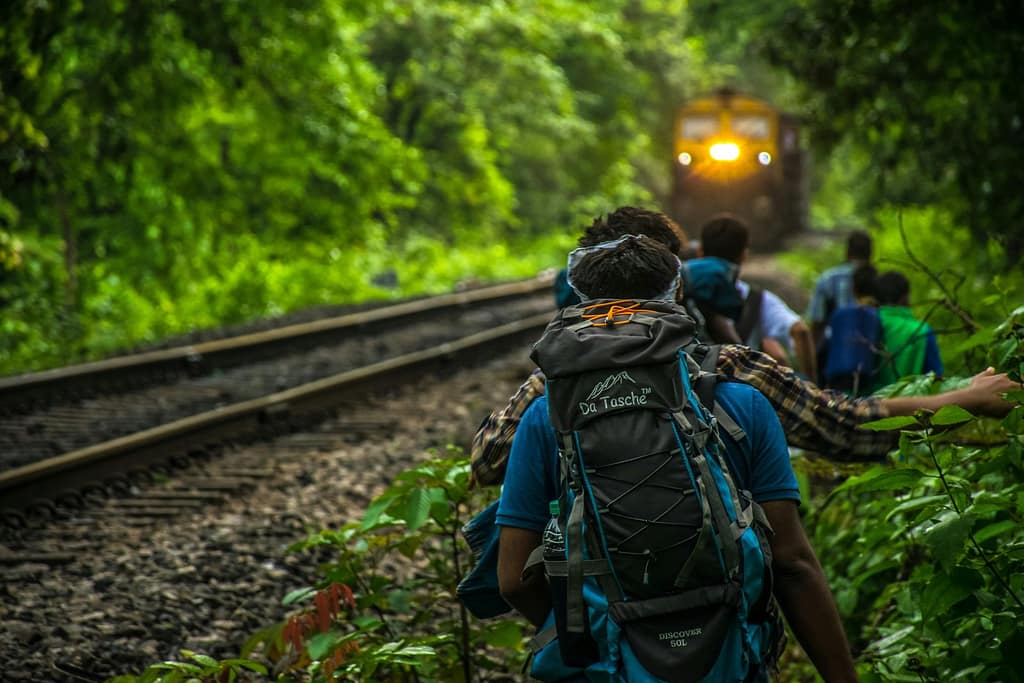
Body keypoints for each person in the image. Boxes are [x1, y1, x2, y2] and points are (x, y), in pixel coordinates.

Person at [496, 234, 860, 681]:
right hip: (727, 655)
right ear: (679, 296)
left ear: (580, 303)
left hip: (605, 663)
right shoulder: (739, 402)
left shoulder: (544, 415)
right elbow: (792, 563)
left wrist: (584, 631)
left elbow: (513, 578)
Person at [470, 207, 1018, 488]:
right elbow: (848, 427)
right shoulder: (730, 369)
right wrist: (962, 398)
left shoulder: (553, 384)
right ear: (677, 282)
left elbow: (486, 463)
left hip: (588, 617)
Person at [700, 213, 817, 379]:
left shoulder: (683, 290)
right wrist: (811, 385)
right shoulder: (757, 299)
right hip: (739, 388)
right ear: (744, 255)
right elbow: (801, 331)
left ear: (700, 252)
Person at [870, 270, 944, 391]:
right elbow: (936, 380)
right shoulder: (921, 330)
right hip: (908, 405)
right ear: (905, 297)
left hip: (860, 404)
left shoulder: (865, 323)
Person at [821, 264, 882, 396]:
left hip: (835, 381)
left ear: (853, 288)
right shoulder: (878, 316)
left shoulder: (839, 314)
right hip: (866, 382)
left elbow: (825, 346)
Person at [807, 229, 873, 346]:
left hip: (834, 346)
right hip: (870, 348)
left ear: (847, 252)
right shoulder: (876, 278)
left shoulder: (827, 278)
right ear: (870, 253)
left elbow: (817, 322)